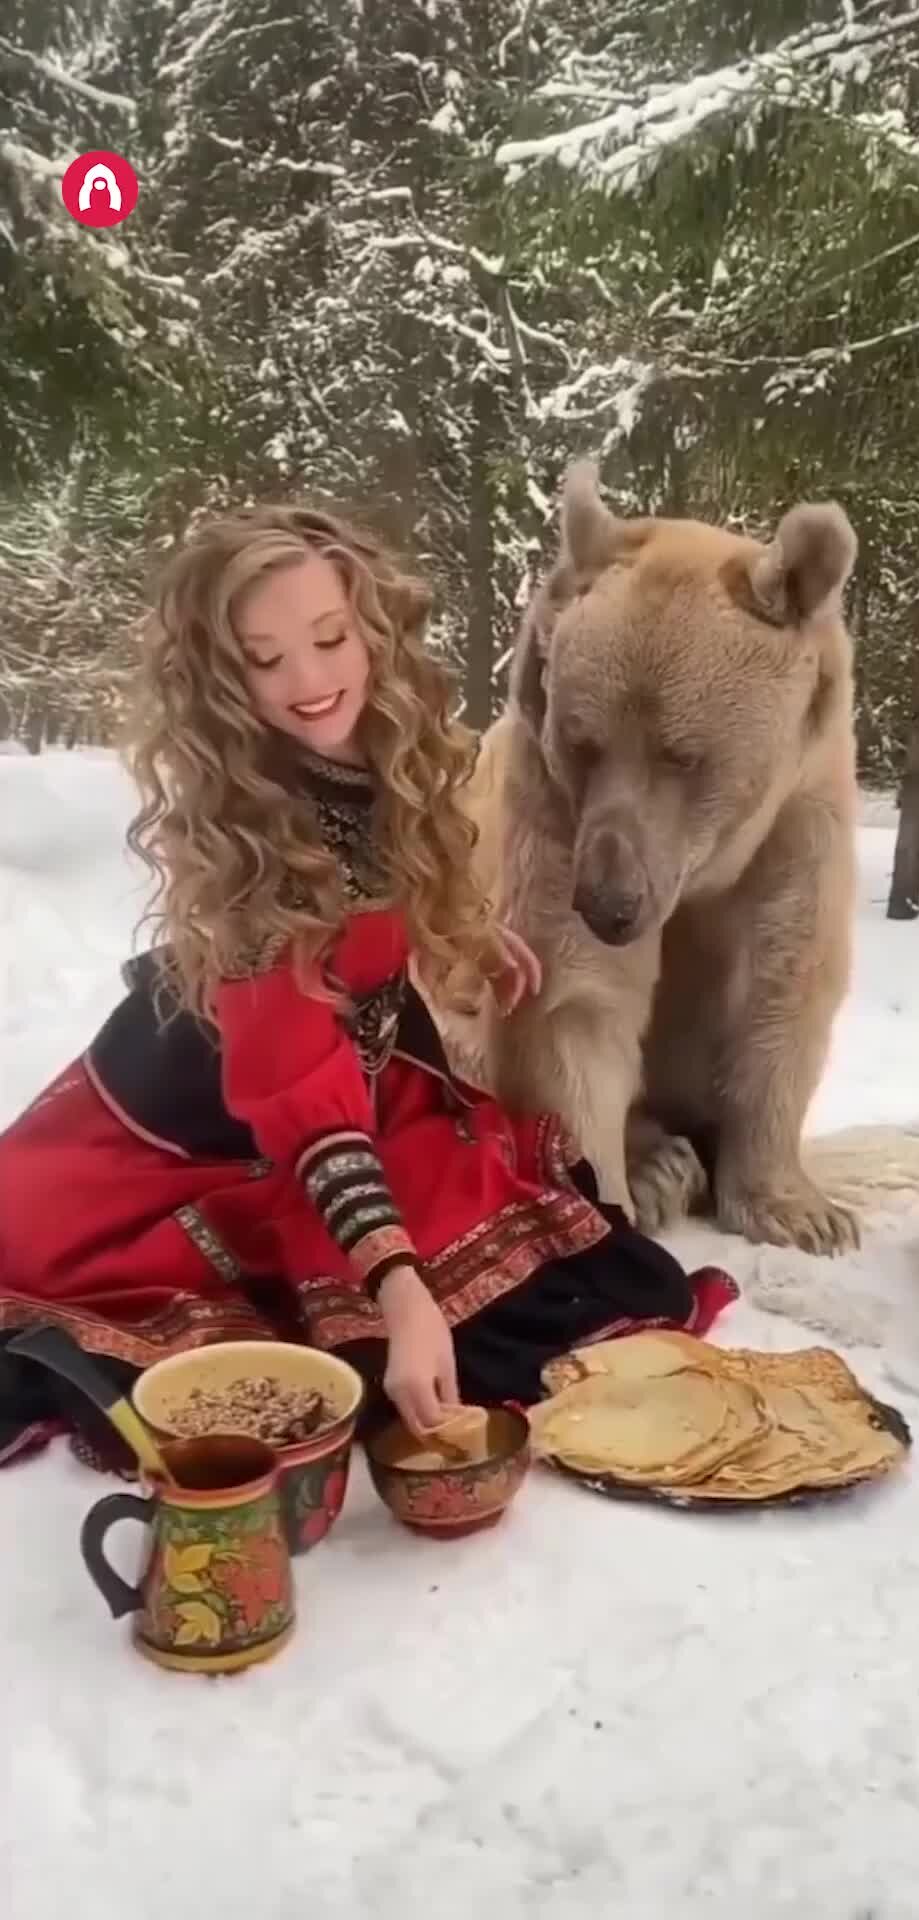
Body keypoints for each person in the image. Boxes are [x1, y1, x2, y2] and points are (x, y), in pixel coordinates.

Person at [0, 504, 734, 1468]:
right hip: (224, 1122)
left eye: (328, 638)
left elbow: (393, 876)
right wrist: (397, 1284)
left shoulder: (375, 739)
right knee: (433, 1325)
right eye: (264, 659)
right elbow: (301, 1092)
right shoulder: (261, 846)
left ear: (368, 625)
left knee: (577, 1268)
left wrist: (465, 930)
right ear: (225, 675)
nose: (307, 682)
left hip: (358, 1068)